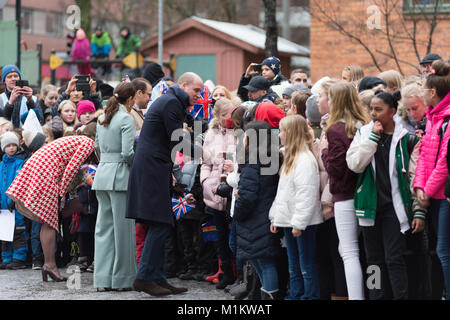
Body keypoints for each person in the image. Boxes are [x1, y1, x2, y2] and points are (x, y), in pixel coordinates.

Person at [126, 72, 203, 296]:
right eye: (195, 90)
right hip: (152, 168)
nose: (198, 95)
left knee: (160, 222)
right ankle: (144, 278)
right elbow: (177, 139)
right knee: (160, 223)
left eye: (200, 91)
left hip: (155, 167)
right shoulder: (171, 102)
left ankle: (156, 278)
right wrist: (203, 152)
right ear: (182, 85)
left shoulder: (171, 101)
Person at [346, 90, 425, 299]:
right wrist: (372, 137)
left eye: (378, 109)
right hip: (369, 206)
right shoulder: (363, 133)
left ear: (392, 111)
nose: (373, 113)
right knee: (374, 260)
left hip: (394, 208)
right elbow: (354, 165)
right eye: (371, 109)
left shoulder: (405, 139)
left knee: (393, 259)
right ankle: (376, 296)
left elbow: (414, 177)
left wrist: (418, 212)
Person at [6, 135, 95, 281]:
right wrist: (61, 193)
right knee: (50, 221)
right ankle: (50, 265)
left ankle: (49, 264)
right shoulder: (88, 143)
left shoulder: (79, 140)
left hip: (41, 164)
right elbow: (72, 168)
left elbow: (73, 169)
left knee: (46, 221)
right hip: (46, 169)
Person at [321, 81, 370, 300]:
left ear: (337, 101)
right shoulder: (364, 124)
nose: (327, 102)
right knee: (361, 250)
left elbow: (336, 169)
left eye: (330, 98)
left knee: (349, 251)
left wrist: (323, 152)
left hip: (345, 195)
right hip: (367, 193)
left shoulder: (335, 129)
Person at [269, 115, 323, 300]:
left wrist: (299, 223)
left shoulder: (305, 160)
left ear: (291, 133)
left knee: (306, 264)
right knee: (294, 264)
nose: (279, 134)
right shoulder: (290, 158)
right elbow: (282, 192)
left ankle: (310, 296)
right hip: (290, 220)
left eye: (282, 131)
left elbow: (306, 194)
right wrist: (276, 216)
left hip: (303, 223)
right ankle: (296, 295)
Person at [92, 82, 137, 291]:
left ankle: (102, 278)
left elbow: (96, 148)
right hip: (120, 176)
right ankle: (122, 279)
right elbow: (128, 153)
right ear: (130, 99)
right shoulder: (126, 118)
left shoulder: (102, 118)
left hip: (102, 175)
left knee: (103, 230)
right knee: (123, 231)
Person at [414, 60, 450, 300]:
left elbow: (445, 161)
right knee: (438, 251)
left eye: (423, 90)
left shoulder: (446, 119)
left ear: (433, 93)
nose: (421, 94)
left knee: (444, 251)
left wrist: (427, 189)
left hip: (444, 195)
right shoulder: (432, 118)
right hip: (431, 195)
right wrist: (419, 186)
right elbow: (425, 156)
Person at [234, 120, 282, 300]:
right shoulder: (271, 157)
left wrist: (238, 211)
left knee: (264, 262)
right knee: (261, 260)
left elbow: (247, 196)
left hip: (255, 219)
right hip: (263, 216)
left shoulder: (254, 161)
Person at [201, 98, 237, 289]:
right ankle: (225, 270)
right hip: (214, 190)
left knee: (235, 234)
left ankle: (237, 272)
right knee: (220, 234)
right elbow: (205, 162)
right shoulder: (211, 134)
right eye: (224, 115)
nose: (228, 118)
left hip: (232, 189)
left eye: (230, 114)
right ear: (216, 115)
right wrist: (205, 182)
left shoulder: (238, 131)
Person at [0, 132, 26, 269]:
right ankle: (6, 257)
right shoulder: (0, 165)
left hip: (16, 204)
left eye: (13, 145)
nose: (11, 148)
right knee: (4, 231)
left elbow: (20, 182)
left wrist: (14, 199)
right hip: (3, 207)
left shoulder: (19, 163)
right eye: (8, 146)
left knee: (18, 229)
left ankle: (19, 257)